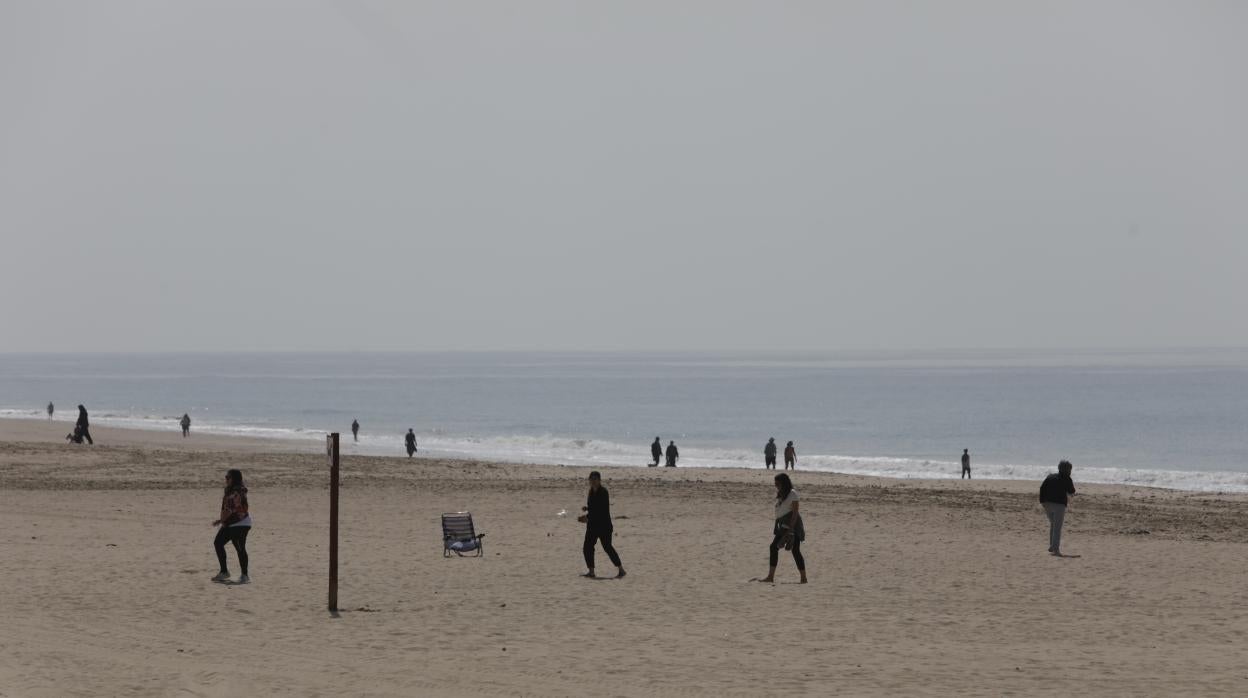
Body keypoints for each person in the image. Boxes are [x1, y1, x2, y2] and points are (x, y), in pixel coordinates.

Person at [578, 471, 625, 579]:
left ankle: (621, 569)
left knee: (607, 547)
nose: (593, 481)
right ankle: (591, 571)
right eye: (591, 479)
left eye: (595, 479)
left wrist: (587, 517)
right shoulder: (591, 492)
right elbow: (594, 507)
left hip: (604, 526)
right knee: (587, 547)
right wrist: (587, 509)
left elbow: (601, 510)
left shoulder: (603, 492)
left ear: (599, 480)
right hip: (592, 526)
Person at [761, 472, 806, 583]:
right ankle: (770, 577)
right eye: (775, 483)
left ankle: (803, 578)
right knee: (774, 547)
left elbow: (795, 513)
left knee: (795, 550)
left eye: (777, 483)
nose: (775, 485)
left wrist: (791, 529)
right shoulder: (782, 493)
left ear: (784, 483)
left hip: (792, 525)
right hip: (783, 525)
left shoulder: (793, 494)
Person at [211, 468, 251, 584]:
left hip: (241, 523)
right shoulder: (230, 490)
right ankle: (224, 572)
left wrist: (221, 520)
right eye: (226, 477)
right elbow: (227, 509)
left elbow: (231, 509)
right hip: (230, 523)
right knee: (218, 543)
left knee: (239, 547)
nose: (226, 479)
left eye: (228, 477)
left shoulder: (236, 492)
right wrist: (222, 520)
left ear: (234, 479)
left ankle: (245, 576)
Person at [1039, 460, 1076, 556]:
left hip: (1047, 503)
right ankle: (1056, 549)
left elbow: (1042, 488)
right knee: (1057, 528)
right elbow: (1072, 491)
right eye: (1070, 469)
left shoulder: (1050, 477)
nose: (1070, 471)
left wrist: (1042, 501)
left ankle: (1052, 545)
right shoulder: (1067, 479)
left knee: (1053, 524)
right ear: (1067, 470)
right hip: (1059, 505)